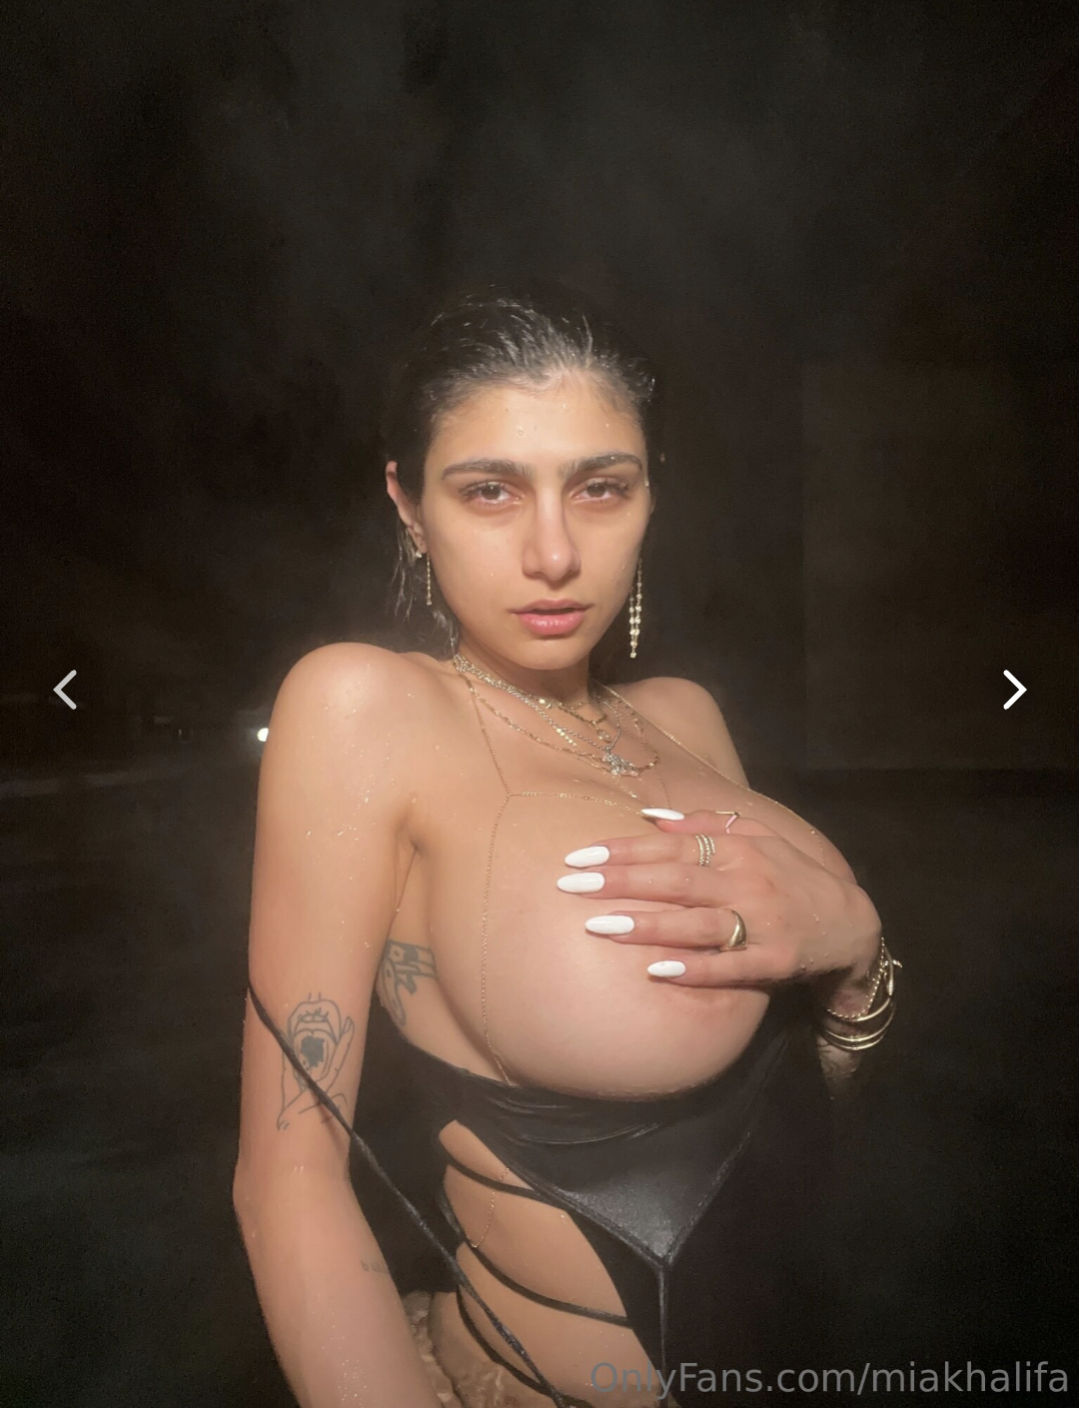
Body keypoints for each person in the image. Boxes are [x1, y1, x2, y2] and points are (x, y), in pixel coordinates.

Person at [232, 286, 901, 1408]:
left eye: (600, 487)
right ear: (407, 505)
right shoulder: (365, 709)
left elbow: (801, 1118)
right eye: (488, 490)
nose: (553, 552)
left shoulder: (688, 718)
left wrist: (857, 956)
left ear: (649, 495)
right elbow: (286, 1180)